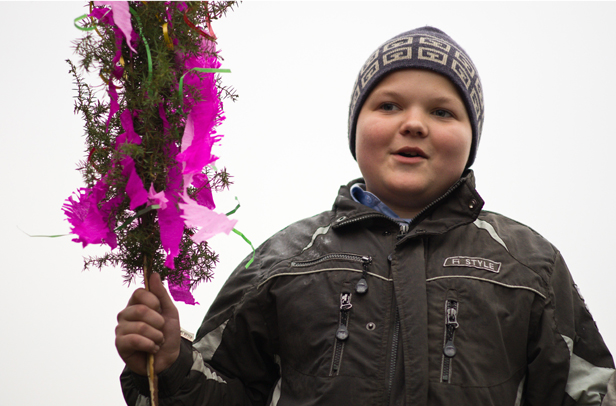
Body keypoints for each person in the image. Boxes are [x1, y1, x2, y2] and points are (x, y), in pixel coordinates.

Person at [116, 26, 615, 405]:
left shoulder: (530, 266)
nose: (413, 124)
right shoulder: (281, 262)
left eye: (443, 112)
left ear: (471, 141)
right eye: (389, 105)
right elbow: (223, 392)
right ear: (356, 131)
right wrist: (169, 366)